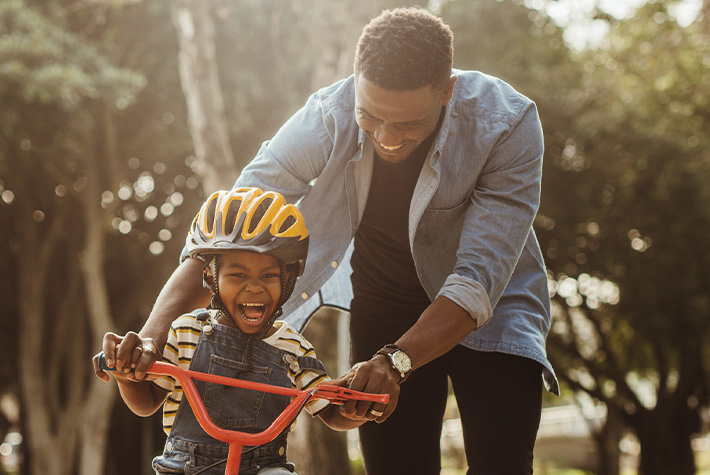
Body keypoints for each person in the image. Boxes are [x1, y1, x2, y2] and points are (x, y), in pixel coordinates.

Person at [126, 7, 560, 475]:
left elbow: (475, 282)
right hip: (386, 301)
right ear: (356, 82)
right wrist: (151, 340)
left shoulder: (508, 124)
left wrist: (396, 362)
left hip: (495, 308)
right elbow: (230, 230)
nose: (388, 139)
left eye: (409, 124)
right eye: (370, 117)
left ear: (447, 92)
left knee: (503, 462)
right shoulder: (326, 116)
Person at [94, 188, 372, 474]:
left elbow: (329, 409)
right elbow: (147, 402)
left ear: (288, 279)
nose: (254, 286)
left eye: (269, 276)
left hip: (264, 468)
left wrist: (357, 407)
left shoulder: (293, 347)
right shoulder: (187, 332)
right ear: (210, 277)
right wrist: (127, 378)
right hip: (186, 468)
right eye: (238, 275)